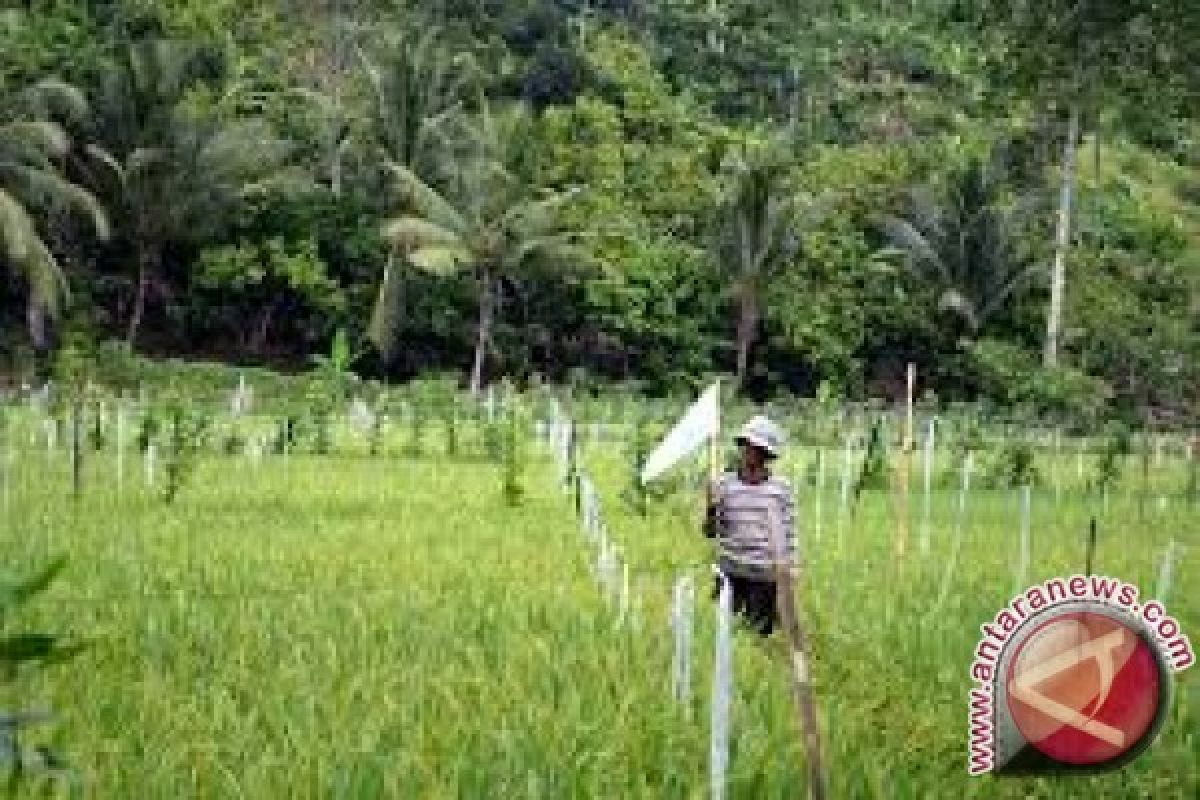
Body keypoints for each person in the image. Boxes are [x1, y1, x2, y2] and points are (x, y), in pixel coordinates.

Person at [703, 414, 796, 636]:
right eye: (746, 445)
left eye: (755, 448)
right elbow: (710, 532)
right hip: (729, 572)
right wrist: (711, 507)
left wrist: (789, 572)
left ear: (767, 454)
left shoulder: (781, 488)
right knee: (723, 635)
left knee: (758, 636)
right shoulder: (723, 485)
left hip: (764, 576)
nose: (748, 452)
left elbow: (789, 533)